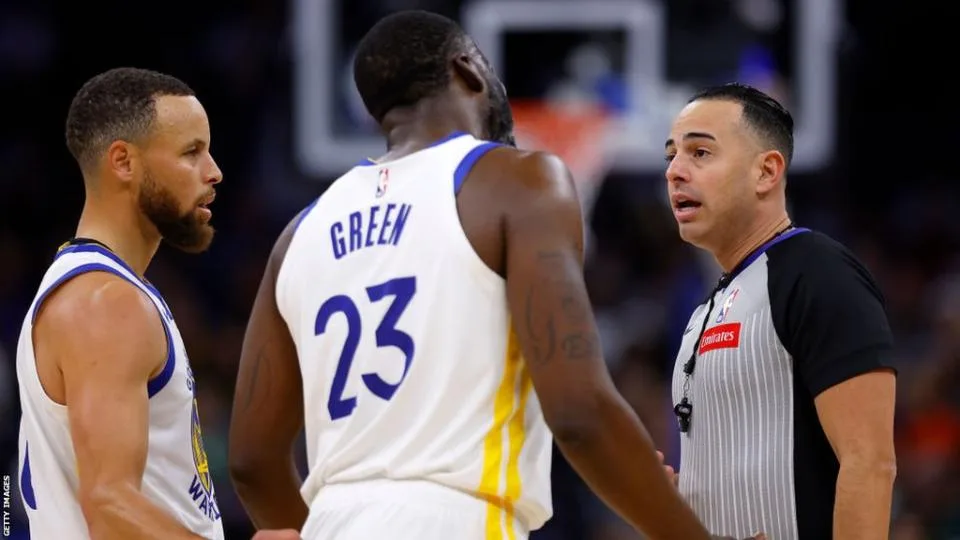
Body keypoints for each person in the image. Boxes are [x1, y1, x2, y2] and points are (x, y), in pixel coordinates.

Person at [227, 10, 762, 540]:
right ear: (468, 71)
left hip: (330, 521)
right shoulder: (519, 180)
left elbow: (251, 460)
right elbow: (578, 412)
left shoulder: (299, 233)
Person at [663, 82, 897, 539]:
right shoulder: (703, 312)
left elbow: (870, 462)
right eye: (670, 155)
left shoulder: (817, 272)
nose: (674, 170)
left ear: (767, 172)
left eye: (700, 153)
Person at [15, 67, 225, 539]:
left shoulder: (101, 290)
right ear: (124, 162)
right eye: (192, 152)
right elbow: (110, 505)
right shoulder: (105, 303)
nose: (214, 171)